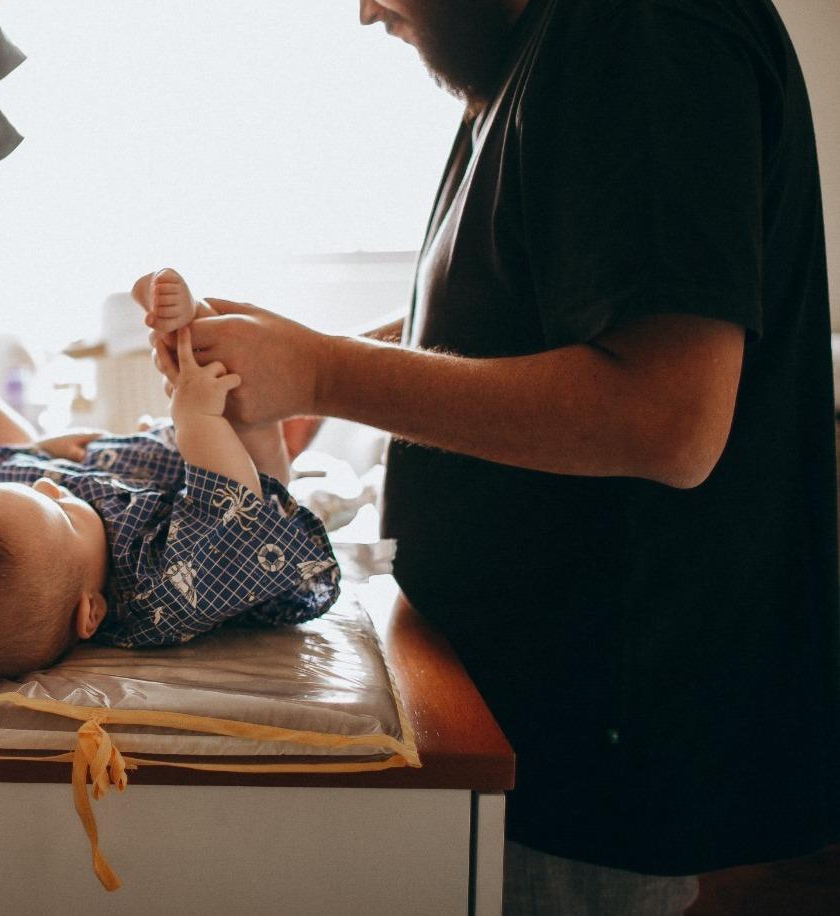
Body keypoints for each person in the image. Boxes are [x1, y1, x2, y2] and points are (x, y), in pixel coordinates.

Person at [150, 0, 839, 913]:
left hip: (588, 742)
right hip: (526, 717)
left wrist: (323, 372)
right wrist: (302, 361)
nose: (365, 10)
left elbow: (667, 418)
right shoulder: (541, 55)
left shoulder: (643, 29)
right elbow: (525, 306)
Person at [0, 269, 340, 680]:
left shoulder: (59, 547)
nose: (50, 487)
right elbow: (233, 509)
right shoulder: (156, 592)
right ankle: (198, 339)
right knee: (264, 457)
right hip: (216, 475)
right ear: (91, 613)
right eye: (59, 510)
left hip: (125, 472)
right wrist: (198, 417)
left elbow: (34, 496)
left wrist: (43, 456)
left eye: (40, 488)